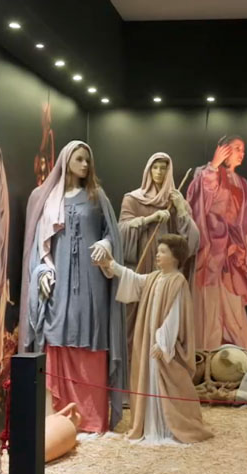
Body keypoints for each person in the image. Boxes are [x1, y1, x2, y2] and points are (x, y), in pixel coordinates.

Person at [19, 141, 125, 433]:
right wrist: (42, 271)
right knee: (57, 335)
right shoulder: (46, 198)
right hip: (59, 282)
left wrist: (106, 244)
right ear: (66, 161)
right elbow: (37, 247)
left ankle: (92, 419)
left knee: (92, 335)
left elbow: (112, 233)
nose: (85, 165)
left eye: (88, 160)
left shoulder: (96, 196)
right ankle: (58, 417)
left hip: (92, 283)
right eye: (79, 159)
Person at [98, 234, 213, 444]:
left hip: (162, 345)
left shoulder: (177, 281)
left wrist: (163, 343)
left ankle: (168, 427)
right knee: (149, 379)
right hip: (149, 340)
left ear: (175, 256)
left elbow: (174, 315)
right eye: (158, 251)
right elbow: (134, 279)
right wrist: (111, 265)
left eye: (162, 251)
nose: (157, 255)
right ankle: (151, 425)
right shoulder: (154, 278)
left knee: (165, 381)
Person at [187, 135, 247, 354]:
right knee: (209, 304)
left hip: (231, 251)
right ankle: (206, 357)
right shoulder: (206, 174)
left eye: (243, 150)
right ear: (224, 150)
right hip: (211, 250)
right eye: (237, 148)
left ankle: (238, 358)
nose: (242, 153)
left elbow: (245, 218)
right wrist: (214, 165)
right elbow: (201, 197)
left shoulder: (242, 183)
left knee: (233, 306)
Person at [119, 153, 199, 356]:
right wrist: (150, 219)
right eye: (155, 167)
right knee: (135, 318)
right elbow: (121, 232)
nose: (159, 172)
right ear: (148, 170)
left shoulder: (175, 201)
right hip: (141, 265)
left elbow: (192, 241)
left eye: (163, 168)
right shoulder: (132, 199)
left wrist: (181, 209)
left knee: (163, 314)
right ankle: (134, 365)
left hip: (167, 272)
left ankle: (160, 361)